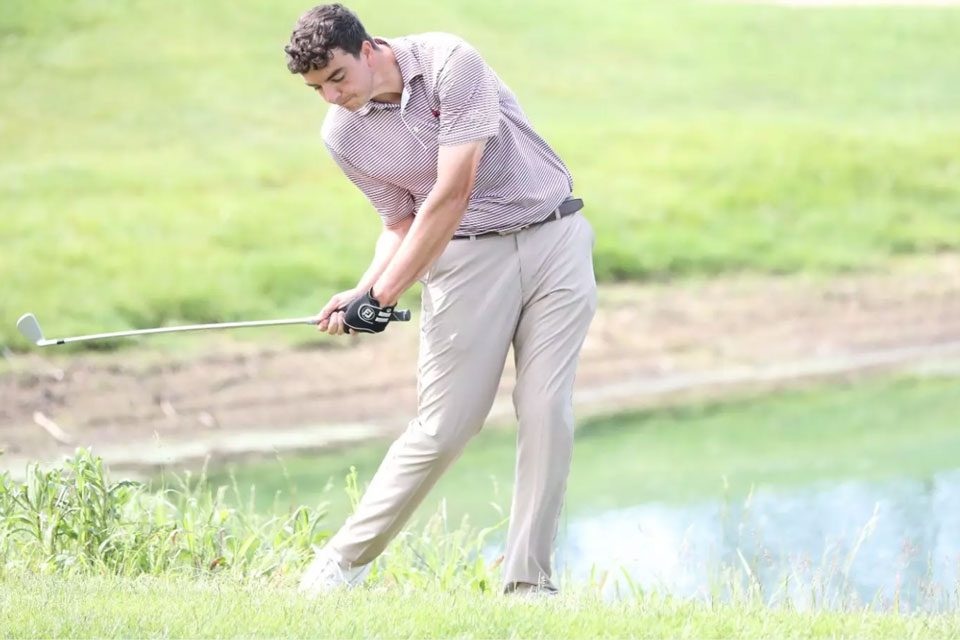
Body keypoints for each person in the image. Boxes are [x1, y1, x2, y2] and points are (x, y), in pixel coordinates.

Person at [285, 3, 596, 596]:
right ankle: (340, 565)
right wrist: (364, 289)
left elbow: (453, 191)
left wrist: (385, 293)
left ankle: (529, 586)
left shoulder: (450, 63)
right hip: (466, 262)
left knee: (546, 409)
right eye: (316, 88)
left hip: (555, 235)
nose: (330, 96)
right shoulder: (343, 135)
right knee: (445, 425)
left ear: (369, 48)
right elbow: (399, 222)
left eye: (337, 78)